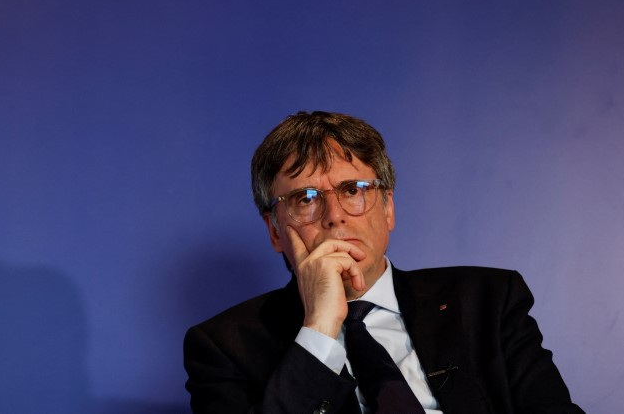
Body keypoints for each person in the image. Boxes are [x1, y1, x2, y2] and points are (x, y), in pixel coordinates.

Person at [184, 111, 584, 413]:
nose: (334, 215)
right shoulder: (222, 347)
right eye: (305, 198)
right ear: (274, 231)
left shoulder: (489, 301)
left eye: (352, 189)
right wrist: (320, 329)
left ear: (388, 208)